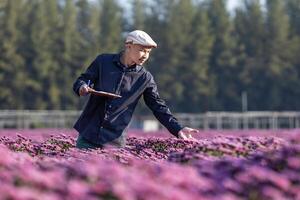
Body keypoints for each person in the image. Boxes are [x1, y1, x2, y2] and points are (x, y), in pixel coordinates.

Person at [73, 30, 199, 149]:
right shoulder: (103, 61)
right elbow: (83, 79)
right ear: (128, 46)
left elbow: (158, 106)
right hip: (88, 135)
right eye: (142, 50)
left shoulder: (145, 78)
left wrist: (178, 129)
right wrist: (82, 87)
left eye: (148, 52)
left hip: (114, 142)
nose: (145, 55)